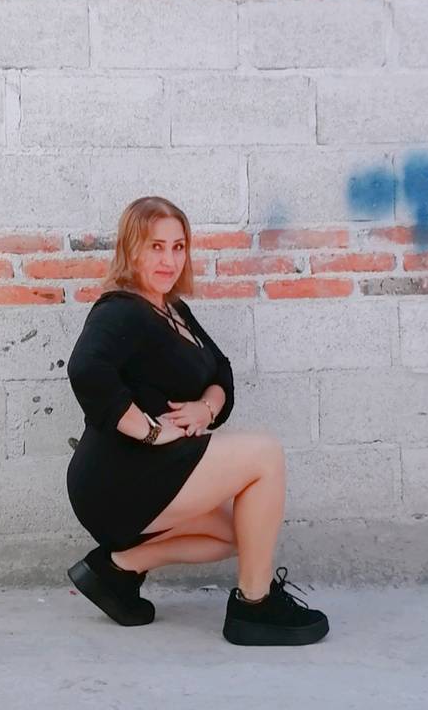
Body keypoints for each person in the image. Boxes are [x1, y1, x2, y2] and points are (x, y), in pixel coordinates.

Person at [65, 196, 329, 646]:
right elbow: (86, 370)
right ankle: (254, 605)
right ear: (131, 249)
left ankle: (117, 569)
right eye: (155, 247)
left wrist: (206, 408)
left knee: (242, 533)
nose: (169, 260)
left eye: (178, 247)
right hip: (117, 476)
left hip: (155, 472)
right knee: (265, 454)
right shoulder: (121, 309)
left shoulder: (172, 309)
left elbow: (221, 372)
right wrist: (151, 430)